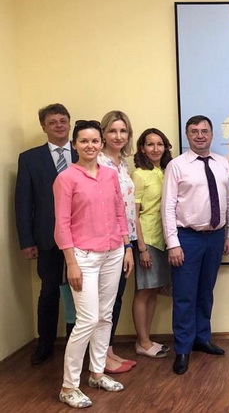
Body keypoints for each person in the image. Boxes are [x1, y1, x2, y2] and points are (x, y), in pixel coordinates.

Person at [54, 119, 134, 408]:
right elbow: (62, 225)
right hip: (83, 257)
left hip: (113, 252)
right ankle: (68, 386)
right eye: (84, 141)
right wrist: (71, 263)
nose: (90, 145)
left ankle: (97, 373)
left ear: (101, 144)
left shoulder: (110, 175)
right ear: (75, 144)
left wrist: (126, 247)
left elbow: (119, 213)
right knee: (86, 320)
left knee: (105, 316)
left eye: (94, 140)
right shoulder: (66, 178)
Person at [163, 115, 229, 375]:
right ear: (187, 135)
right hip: (187, 238)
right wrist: (173, 244)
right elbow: (168, 207)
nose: (200, 135)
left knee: (205, 292)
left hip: (215, 237)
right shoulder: (176, 166)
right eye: (194, 131)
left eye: (204, 131)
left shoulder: (222, 164)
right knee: (185, 295)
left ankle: (201, 339)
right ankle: (183, 349)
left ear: (211, 134)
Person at [15, 103, 78, 365]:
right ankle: (45, 344)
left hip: (81, 238)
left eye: (63, 121)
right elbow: (23, 202)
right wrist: (27, 240)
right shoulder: (29, 159)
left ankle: (75, 344)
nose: (59, 126)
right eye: (53, 122)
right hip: (47, 238)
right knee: (49, 292)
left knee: (79, 293)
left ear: (69, 123)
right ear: (44, 127)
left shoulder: (83, 152)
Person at [96, 111, 138, 373]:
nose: (118, 136)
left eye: (123, 131)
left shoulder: (122, 164)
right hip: (109, 242)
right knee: (105, 301)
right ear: (103, 134)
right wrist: (124, 245)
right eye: (112, 131)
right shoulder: (99, 163)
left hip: (125, 239)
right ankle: (101, 358)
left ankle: (108, 351)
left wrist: (130, 243)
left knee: (116, 298)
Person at [131, 128, 173, 358]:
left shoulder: (165, 171)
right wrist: (142, 248)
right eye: (150, 144)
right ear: (142, 148)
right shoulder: (139, 174)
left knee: (154, 290)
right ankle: (143, 342)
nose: (155, 149)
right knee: (143, 291)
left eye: (160, 144)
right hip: (147, 240)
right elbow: (133, 214)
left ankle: (146, 339)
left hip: (163, 238)